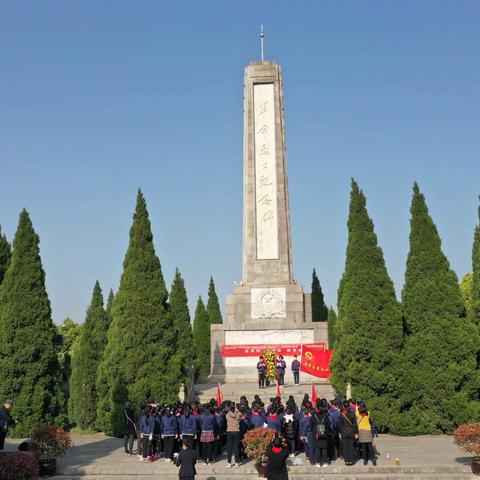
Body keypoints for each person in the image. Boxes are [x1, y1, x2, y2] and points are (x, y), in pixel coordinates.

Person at [310, 402, 331, 468]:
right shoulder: (326, 415)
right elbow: (328, 425)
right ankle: (324, 462)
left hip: (316, 434)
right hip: (324, 433)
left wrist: (314, 431)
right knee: (324, 448)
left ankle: (318, 462)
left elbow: (311, 425)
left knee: (317, 448)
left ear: (316, 408)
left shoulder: (313, 415)